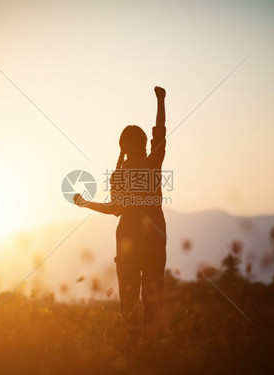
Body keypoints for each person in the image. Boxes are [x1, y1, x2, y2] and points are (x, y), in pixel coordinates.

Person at [74, 86, 167, 339]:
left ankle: (134, 351)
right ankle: (149, 351)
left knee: (130, 302)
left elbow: (116, 209)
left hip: (129, 241)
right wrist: (160, 101)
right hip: (150, 241)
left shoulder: (125, 172)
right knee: (151, 301)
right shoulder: (151, 164)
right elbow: (160, 133)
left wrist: (86, 203)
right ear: (141, 145)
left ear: (123, 146)